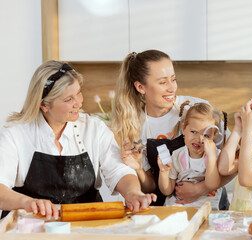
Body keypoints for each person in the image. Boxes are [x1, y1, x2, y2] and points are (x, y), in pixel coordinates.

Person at [0, 60, 156, 219]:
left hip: (86, 221)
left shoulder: (94, 128)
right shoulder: (15, 134)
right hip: (31, 223)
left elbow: (119, 170)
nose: (79, 103)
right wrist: (27, 203)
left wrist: (133, 193)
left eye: (79, 93)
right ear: (44, 105)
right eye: (68, 99)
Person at [111, 49, 233, 208]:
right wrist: (139, 168)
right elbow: (151, 187)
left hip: (212, 206)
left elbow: (235, 161)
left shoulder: (195, 110)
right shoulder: (134, 128)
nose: (172, 88)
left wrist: (199, 188)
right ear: (141, 87)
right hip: (167, 210)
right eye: (162, 82)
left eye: (173, 79)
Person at [158, 101, 224, 210]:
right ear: (183, 129)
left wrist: (211, 158)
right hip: (181, 203)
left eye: (206, 135)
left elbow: (212, 185)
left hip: (206, 203)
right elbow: (167, 191)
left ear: (214, 136)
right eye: (194, 132)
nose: (199, 139)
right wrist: (164, 172)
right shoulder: (177, 156)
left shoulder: (216, 155)